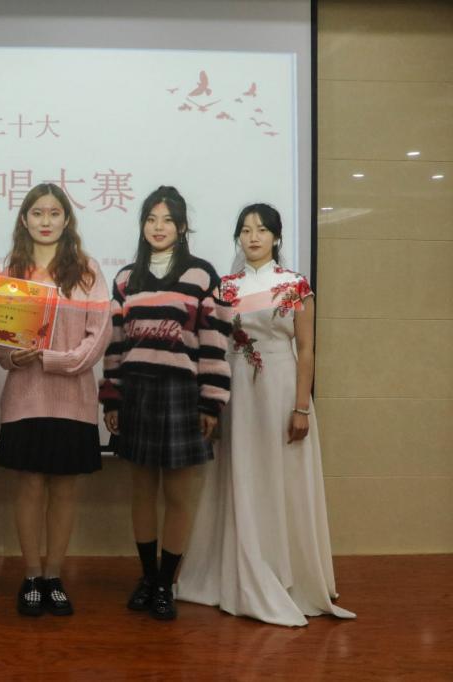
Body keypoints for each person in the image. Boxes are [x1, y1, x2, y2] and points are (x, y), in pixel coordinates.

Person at [176, 203, 356, 626]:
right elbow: (214, 347)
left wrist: (301, 406)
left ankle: (288, 575)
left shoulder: (295, 285)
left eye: (261, 230)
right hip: (238, 392)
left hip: (282, 391)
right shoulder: (226, 288)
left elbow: (306, 349)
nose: (253, 237)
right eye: (245, 230)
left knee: (284, 479)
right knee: (241, 476)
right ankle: (239, 573)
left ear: (276, 237)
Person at [100, 185, 232, 621]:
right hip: (136, 393)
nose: (158, 227)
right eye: (151, 219)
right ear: (142, 225)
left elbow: (214, 343)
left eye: (168, 220)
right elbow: (115, 344)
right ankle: (146, 577)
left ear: (182, 227)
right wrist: (111, 398)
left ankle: (165, 583)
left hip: (182, 395)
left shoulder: (202, 275)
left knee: (178, 495)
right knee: (142, 491)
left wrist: (211, 403)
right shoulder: (126, 279)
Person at [0, 183, 111, 617]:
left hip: (73, 400)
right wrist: (11, 355)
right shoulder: (11, 271)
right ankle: (31, 576)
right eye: (37, 213)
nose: (45, 221)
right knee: (29, 487)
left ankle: (54, 575)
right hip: (24, 399)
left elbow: (98, 338)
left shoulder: (88, 270)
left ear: (66, 219)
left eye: (54, 213)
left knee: (63, 489)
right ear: (24, 219)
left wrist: (52, 359)